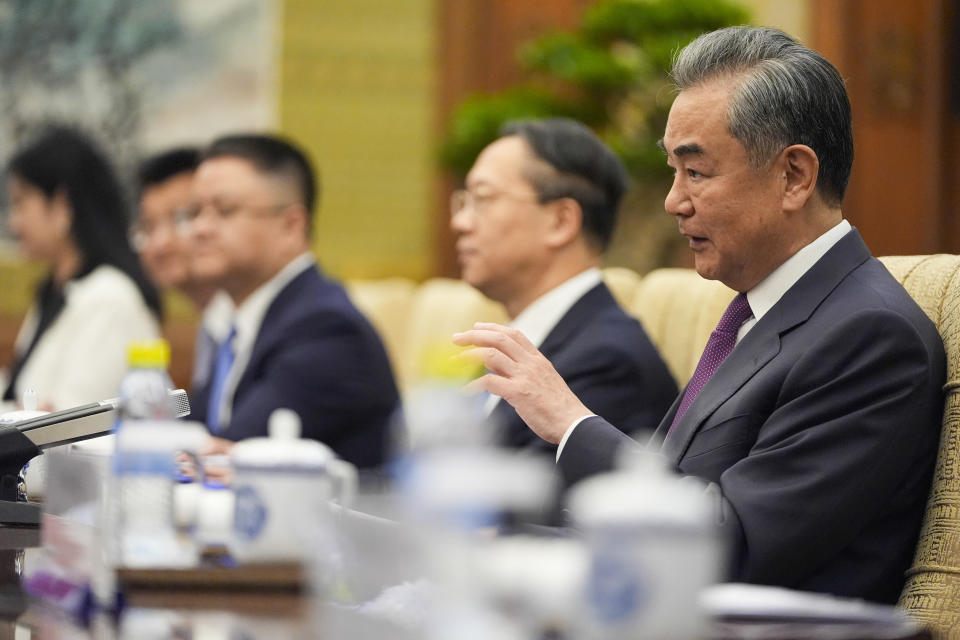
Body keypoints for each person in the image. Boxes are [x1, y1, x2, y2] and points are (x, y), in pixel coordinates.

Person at [453, 26, 945, 604]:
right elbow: (675, 495)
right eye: (672, 170)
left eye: (697, 172)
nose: (672, 200)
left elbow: (731, 544)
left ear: (794, 176)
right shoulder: (757, 312)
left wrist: (571, 424)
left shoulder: (870, 335)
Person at [451, 118, 676, 455]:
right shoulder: (521, 342)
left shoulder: (609, 362)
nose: (460, 222)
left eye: (483, 199)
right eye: (463, 202)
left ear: (560, 221)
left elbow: (520, 501)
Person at [185, 134, 400, 469]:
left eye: (223, 211)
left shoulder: (328, 330)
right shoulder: (234, 323)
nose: (199, 228)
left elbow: (226, 456)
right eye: (194, 212)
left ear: (290, 226)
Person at [2, 126, 162, 411]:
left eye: (20, 202)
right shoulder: (54, 291)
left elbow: (71, 424)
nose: (13, 222)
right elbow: (26, 400)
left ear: (62, 204)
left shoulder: (110, 297)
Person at [133, 147, 233, 390]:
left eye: (181, 218)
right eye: (148, 227)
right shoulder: (210, 327)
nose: (160, 244)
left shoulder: (240, 327)